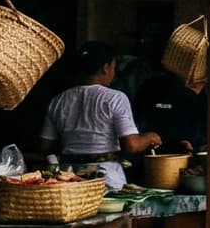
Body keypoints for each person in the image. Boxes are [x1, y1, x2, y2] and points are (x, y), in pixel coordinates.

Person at [40, 42, 162, 189]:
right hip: (105, 179)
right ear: (106, 68)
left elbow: (45, 146)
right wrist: (150, 137)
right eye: (113, 67)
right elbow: (132, 145)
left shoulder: (58, 100)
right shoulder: (115, 98)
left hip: (68, 179)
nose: (114, 73)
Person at [132, 63, 206, 155]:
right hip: (152, 153)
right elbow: (136, 123)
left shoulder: (207, 96)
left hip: (191, 154)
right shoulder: (152, 87)